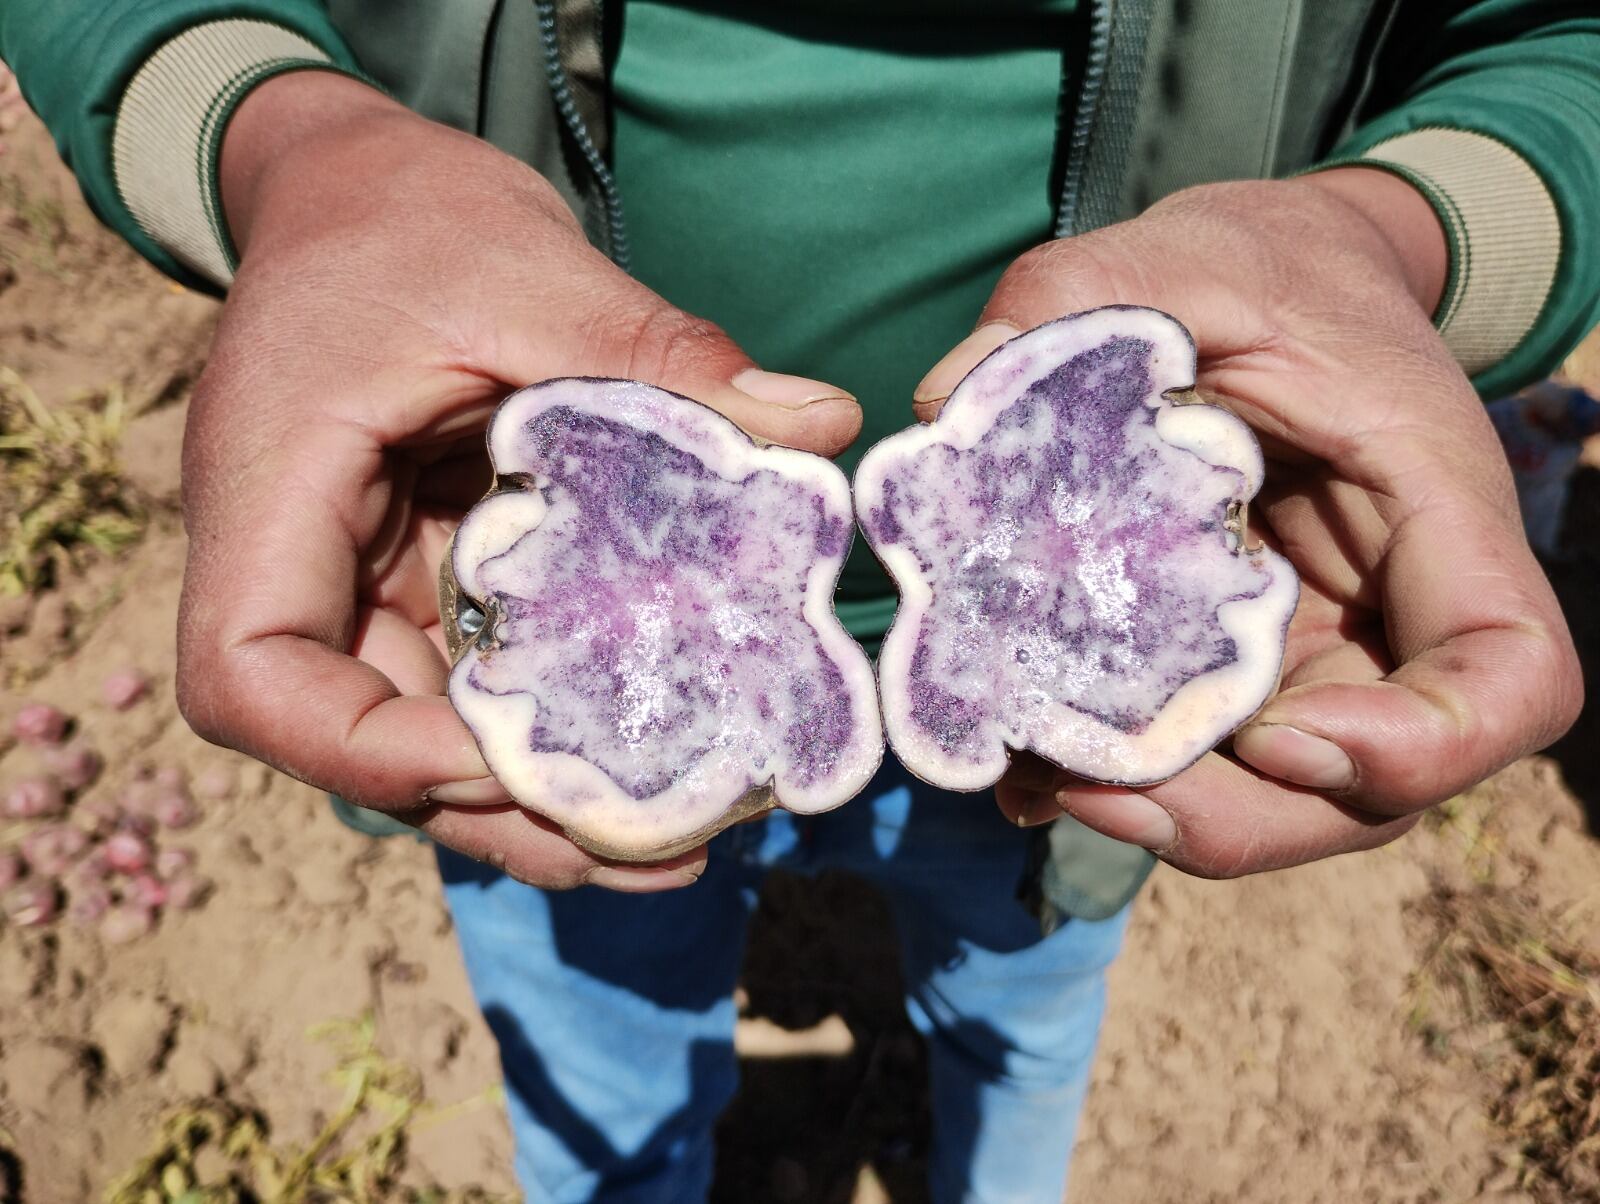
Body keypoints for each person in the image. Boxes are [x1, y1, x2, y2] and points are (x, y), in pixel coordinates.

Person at [4, 3, 1597, 1199]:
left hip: (1072, 742)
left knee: (1021, 998)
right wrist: (287, 143)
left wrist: (1409, 236)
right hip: (495, 618)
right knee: (603, 1022)